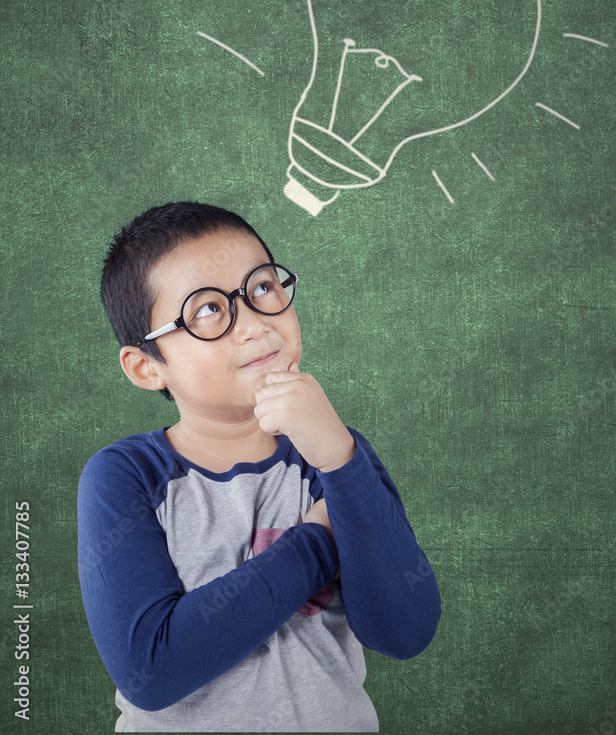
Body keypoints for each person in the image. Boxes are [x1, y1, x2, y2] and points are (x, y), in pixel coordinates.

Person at [77, 200, 441, 732]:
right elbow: (151, 670)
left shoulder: (338, 455)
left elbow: (405, 632)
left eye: (262, 288)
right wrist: (320, 542)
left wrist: (341, 461)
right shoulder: (125, 476)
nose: (252, 323)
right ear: (147, 366)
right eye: (206, 310)